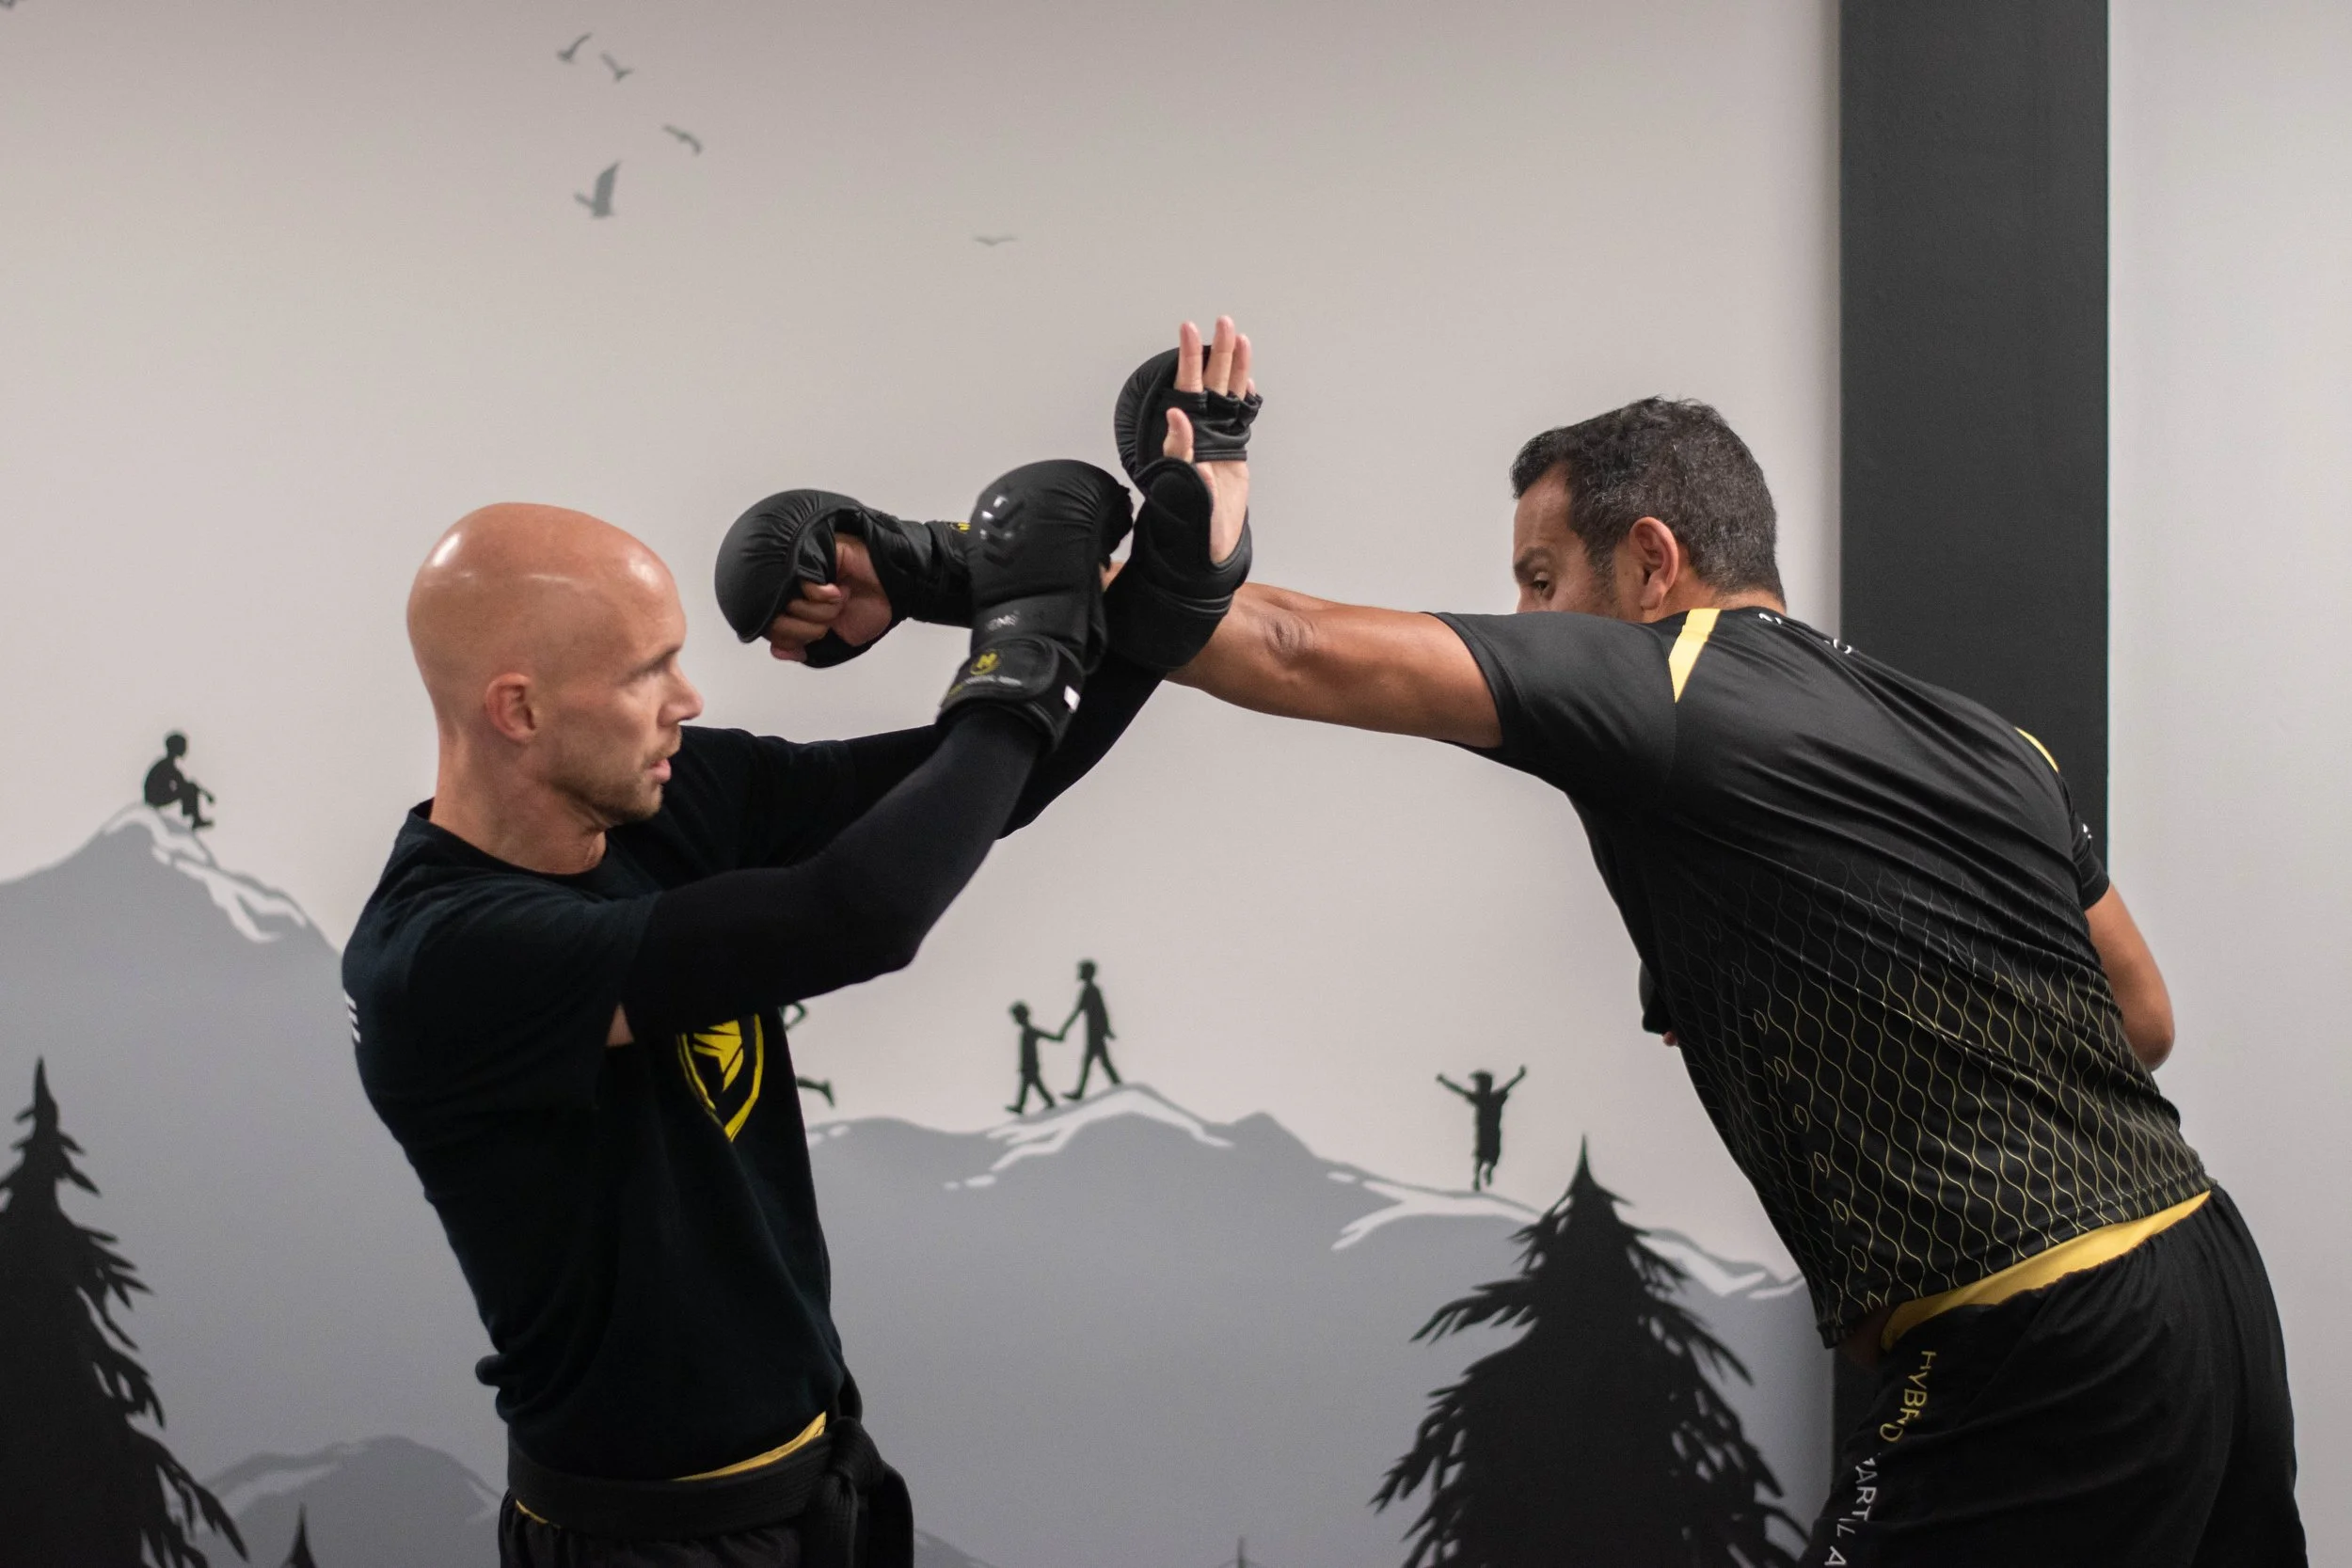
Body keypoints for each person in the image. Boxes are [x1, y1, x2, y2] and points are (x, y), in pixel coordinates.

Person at [1175, 395, 2301, 1565]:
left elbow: (1285, 643)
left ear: (1652, 560)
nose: (1522, 618)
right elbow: (2144, 1016)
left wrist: (1076, 554)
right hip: (2210, 1278)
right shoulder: (1986, 741)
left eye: (1540, 575)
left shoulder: (1660, 684)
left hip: (2038, 1321)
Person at [344, 411, 1248, 1567]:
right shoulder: (444, 956)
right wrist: (1021, 643)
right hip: (648, 1543)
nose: (690, 701)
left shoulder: (668, 794)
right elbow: (861, 910)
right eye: (645, 674)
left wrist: (1165, 591)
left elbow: (975, 786)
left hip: (824, 1478)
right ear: (517, 711)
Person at [1436, 1067, 1524, 1192]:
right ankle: (1482, 1175)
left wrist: (1444, 1081)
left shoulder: (1484, 1099)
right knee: (1487, 1155)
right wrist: (1520, 1076)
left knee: (1483, 1156)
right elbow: (1509, 1085)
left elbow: (1459, 1090)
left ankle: (1480, 1176)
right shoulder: (1494, 1098)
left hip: (1487, 1132)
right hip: (1490, 1132)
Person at [1060, 959, 1120, 1101]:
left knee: (1095, 1062)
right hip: (1095, 1032)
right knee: (1100, 1062)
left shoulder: (1090, 991)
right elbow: (1102, 1011)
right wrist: (1107, 1029)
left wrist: (1064, 1030)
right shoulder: (1091, 990)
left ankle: (1081, 1092)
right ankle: (1116, 1085)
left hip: (1094, 1033)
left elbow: (1081, 1012)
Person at [142, 732, 215, 829]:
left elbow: (183, 782)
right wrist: (205, 794)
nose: (186, 749)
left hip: (158, 796)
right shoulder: (166, 765)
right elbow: (185, 784)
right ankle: (195, 820)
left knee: (190, 787)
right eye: (183, 746)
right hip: (155, 799)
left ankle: (194, 818)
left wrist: (205, 793)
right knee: (190, 788)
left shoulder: (168, 764)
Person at [1004, 1002, 1065, 1116]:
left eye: (1016, 1017)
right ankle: (1024, 1105)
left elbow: (1047, 1036)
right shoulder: (1027, 1031)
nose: (1015, 1020)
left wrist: (1058, 1038)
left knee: (1032, 1084)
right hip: (1029, 1065)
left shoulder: (1029, 1031)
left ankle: (1045, 1102)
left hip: (1030, 1065)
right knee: (1030, 1084)